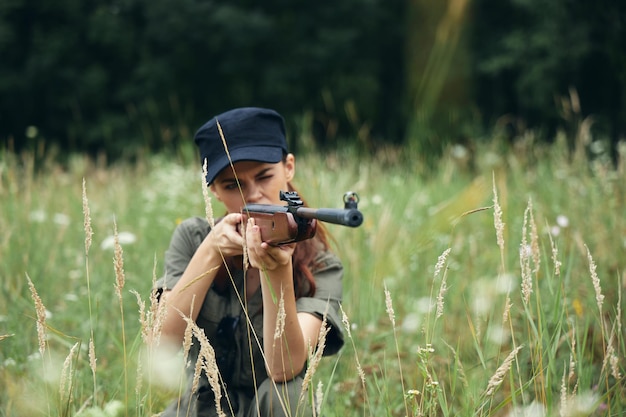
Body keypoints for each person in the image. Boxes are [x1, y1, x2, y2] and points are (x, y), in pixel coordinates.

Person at [155, 107, 344, 417]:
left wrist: (277, 271)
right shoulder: (193, 238)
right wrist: (210, 252)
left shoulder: (320, 263)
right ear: (213, 191)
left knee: (287, 395)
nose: (254, 195)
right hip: (202, 404)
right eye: (233, 185)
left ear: (289, 167)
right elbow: (161, 343)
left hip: (273, 406)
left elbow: (284, 370)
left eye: (264, 176)